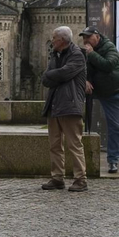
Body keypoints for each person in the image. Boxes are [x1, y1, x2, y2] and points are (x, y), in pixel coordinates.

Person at [41, 26, 88, 192]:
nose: (52, 40)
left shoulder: (77, 55)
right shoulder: (55, 55)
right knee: (54, 145)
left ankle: (80, 179)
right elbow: (46, 79)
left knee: (74, 144)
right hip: (54, 106)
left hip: (70, 106)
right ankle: (57, 178)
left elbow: (64, 74)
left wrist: (54, 75)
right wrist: (55, 75)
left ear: (61, 40)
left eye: (54, 38)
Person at [79, 26, 119, 174]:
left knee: (115, 127)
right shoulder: (90, 52)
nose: (85, 41)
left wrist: (92, 54)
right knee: (86, 123)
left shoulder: (109, 47)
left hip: (115, 92)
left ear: (97, 36)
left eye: (88, 37)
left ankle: (113, 160)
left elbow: (108, 65)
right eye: (84, 38)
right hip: (98, 91)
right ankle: (83, 158)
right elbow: (87, 68)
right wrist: (86, 80)